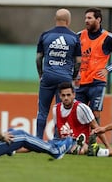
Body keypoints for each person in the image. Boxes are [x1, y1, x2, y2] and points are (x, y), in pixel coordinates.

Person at [36, 8, 81, 139]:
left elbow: (38, 58)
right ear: (68, 20)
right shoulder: (74, 37)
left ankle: (38, 139)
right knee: (60, 110)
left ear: (55, 19)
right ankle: (57, 139)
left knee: (42, 111)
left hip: (48, 77)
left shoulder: (45, 35)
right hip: (65, 78)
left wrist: (40, 74)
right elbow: (78, 61)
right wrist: (72, 77)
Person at [76, 7, 112, 124]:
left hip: (97, 82)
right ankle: (79, 140)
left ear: (98, 19)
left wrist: (108, 69)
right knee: (78, 112)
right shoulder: (79, 36)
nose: (86, 21)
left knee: (95, 113)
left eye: (89, 18)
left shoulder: (108, 38)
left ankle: (93, 141)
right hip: (80, 81)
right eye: (85, 18)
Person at [53, 82, 110, 155]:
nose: (66, 98)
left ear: (74, 95)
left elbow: (96, 127)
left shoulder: (81, 108)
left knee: (81, 150)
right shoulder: (55, 109)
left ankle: (80, 147)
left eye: (68, 95)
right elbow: (58, 129)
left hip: (80, 141)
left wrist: (108, 147)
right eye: (63, 95)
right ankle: (74, 148)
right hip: (64, 141)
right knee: (52, 145)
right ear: (59, 96)